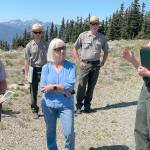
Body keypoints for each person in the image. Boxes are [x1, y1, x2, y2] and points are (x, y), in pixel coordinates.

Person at [40, 38, 76, 150]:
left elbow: (70, 85)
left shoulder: (71, 66)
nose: (62, 51)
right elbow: (43, 87)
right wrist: (63, 89)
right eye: (58, 49)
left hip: (66, 105)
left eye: (63, 48)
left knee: (69, 133)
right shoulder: (46, 68)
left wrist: (53, 87)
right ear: (52, 51)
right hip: (48, 105)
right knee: (50, 132)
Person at [73, 16, 109, 113]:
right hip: (84, 65)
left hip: (96, 65)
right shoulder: (83, 35)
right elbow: (74, 48)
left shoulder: (102, 37)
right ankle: (79, 106)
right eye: (92, 24)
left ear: (98, 25)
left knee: (91, 86)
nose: (94, 26)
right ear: (90, 25)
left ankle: (87, 106)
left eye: (96, 24)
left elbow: (106, 51)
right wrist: (79, 62)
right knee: (81, 86)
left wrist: (103, 62)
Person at [123, 47, 150, 150]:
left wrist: (148, 73)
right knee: (141, 129)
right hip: (146, 88)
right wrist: (133, 61)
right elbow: (144, 70)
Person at [24, 23, 48, 119]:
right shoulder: (29, 45)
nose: (37, 34)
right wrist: (26, 74)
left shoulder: (46, 44)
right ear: (33, 33)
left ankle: (46, 109)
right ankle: (34, 110)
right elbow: (26, 60)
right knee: (33, 91)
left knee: (45, 91)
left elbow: (50, 57)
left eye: (39, 32)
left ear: (41, 33)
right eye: (35, 32)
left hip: (44, 69)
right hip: (33, 69)